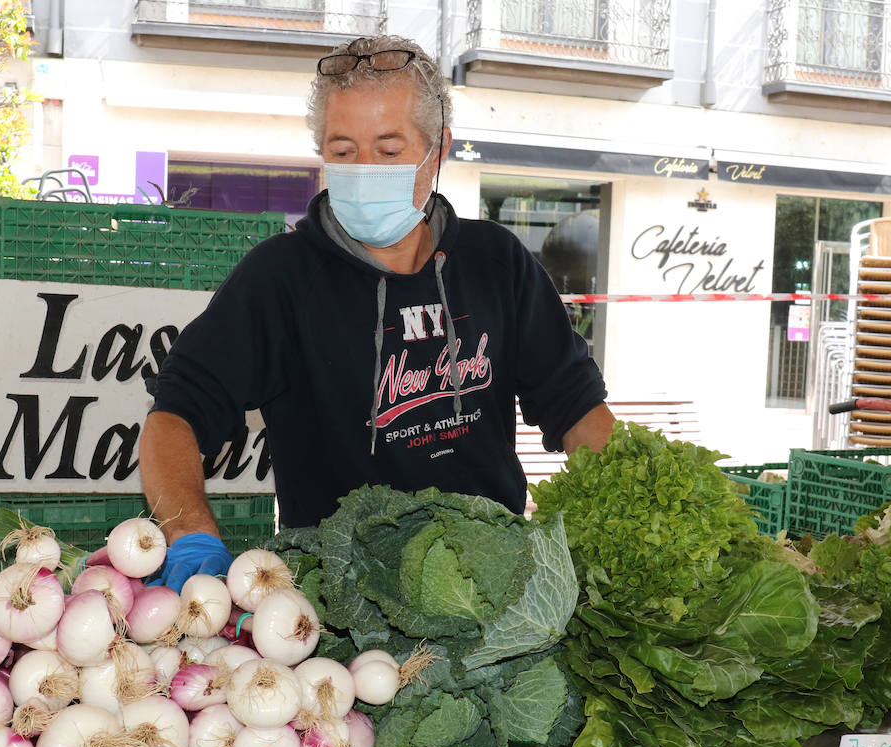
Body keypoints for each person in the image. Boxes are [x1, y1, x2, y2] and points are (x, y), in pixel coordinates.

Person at [141, 34, 614, 590]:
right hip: (341, 614)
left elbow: (578, 411)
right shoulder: (281, 279)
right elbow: (172, 418)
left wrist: (630, 513)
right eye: (343, 152)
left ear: (438, 149)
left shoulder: (498, 262)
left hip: (494, 590)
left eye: (388, 151)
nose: (364, 170)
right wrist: (191, 533)